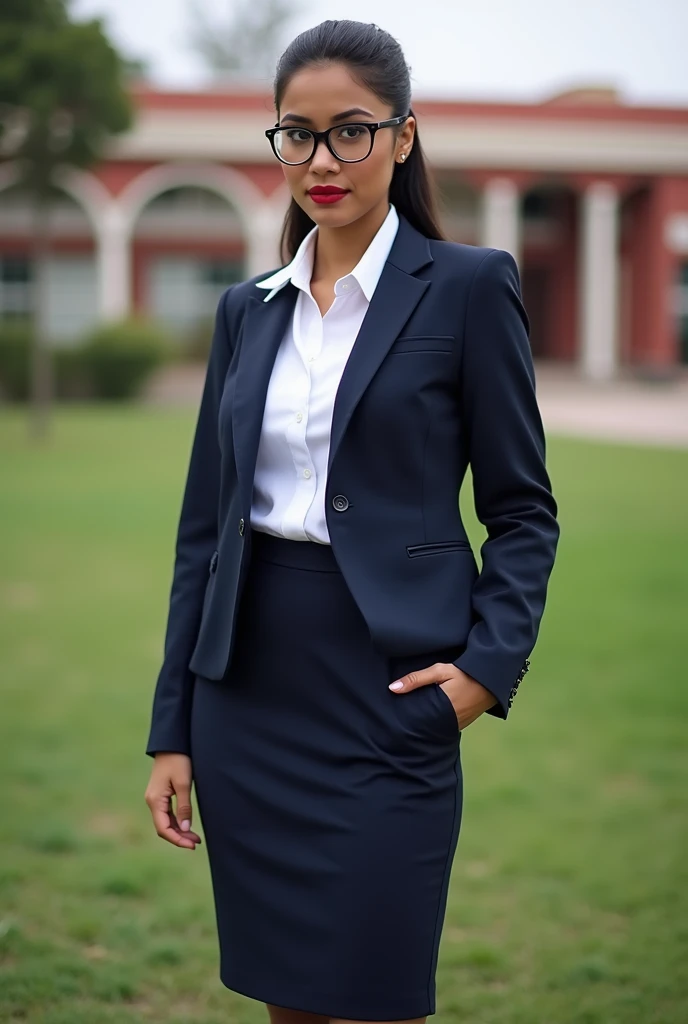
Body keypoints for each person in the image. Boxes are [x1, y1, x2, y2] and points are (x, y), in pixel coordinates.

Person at [144, 18, 560, 1024]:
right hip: (247, 690)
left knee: (376, 996)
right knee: (288, 1001)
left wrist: (484, 670)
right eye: (297, 133)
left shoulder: (467, 289)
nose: (321, 160)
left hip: (390, 687)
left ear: (403, 137)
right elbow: (205, 528)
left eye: (350, 132)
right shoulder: (249, 310)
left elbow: (521, 510)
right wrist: (173, 729)